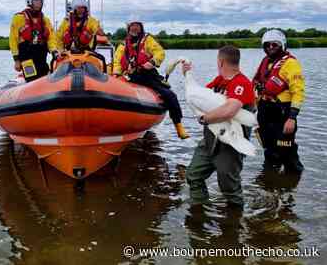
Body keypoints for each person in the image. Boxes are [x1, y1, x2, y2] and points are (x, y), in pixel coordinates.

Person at [183, 46, 255, 207]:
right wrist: (187, 74)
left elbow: (230, 110)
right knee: (193, 175)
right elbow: (198, 94)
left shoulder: (242, 83)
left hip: (230, 143)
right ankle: (199, 209)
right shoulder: (220, 80)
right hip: (210, 140)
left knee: (229, 188)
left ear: (221, 61)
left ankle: (234, 222)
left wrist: (204, 118)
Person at [113, 21, 189, 139]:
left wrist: (152, 62)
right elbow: (117, 61)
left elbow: (159, 52)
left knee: (170, 95)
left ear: (141, 28)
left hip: (147, 75)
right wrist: (117, 75)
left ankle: (178, 125)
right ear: (128, 29)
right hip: (130, 77)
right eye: (132, 26)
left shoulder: (147, 40)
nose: (134, 29)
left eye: (137, 26)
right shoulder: (123, 45)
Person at [253, 29, 305, 173]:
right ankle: (270, 181)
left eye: (274, 45)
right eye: (267, 45)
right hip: (265, 110)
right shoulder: (266, 62)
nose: (270, 47)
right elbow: (256, 84)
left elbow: (298, 92)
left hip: (283, 113)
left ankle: (292, 183)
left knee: (286, 151)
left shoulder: (291, 64)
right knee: (269, 150)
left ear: (282, 45)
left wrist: (292, 117)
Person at [9, 0, 58, 82]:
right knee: (31, 78)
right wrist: (16, 60)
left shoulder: (45, 20)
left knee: (44, 76)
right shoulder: (19, 18)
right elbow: (13, 40)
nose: (38, 3)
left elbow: (51, 38)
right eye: (36, 1)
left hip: (40, 54)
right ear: (29, 2)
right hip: (26, 55)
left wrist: (54, 51)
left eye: (40, 1)